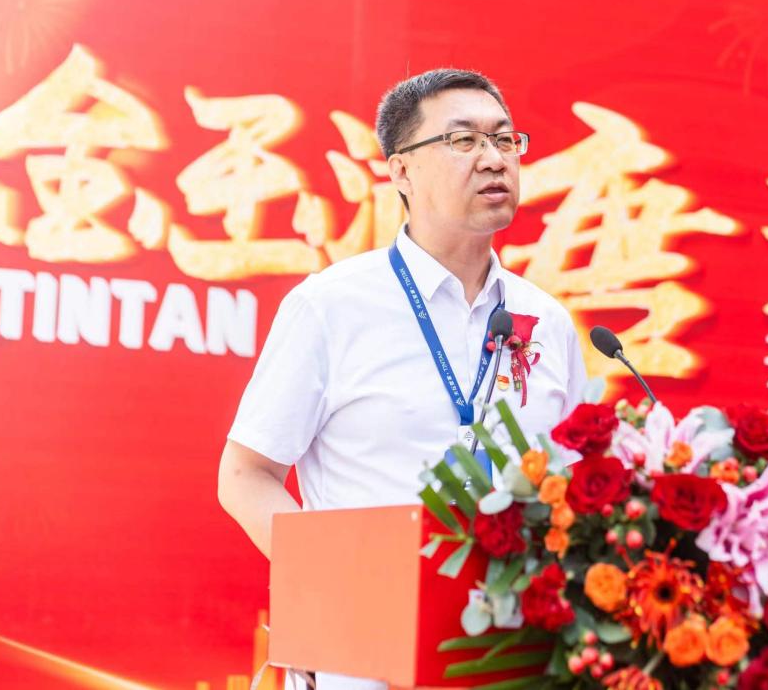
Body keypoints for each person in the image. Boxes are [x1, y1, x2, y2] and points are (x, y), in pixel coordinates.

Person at [217, 69, 588, 689]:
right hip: (362, 661)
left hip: (508, 660)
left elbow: (571, 486)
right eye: (463, 141)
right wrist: (333, 581)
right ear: (401, 171)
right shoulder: (332, 306)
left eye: (505, 139)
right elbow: (244, 475)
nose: (493, 158)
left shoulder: (547, 322)